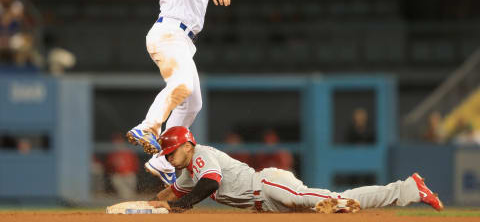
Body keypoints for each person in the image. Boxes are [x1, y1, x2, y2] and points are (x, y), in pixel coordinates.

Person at [126, 0, 292, 186]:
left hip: (183, 40)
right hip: (168, 32)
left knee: (193, 104)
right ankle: (147, 128)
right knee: (181, 84)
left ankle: (161, 160)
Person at [147, 126, 444, 213]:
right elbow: (169, 195)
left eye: (172, 151)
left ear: (187, 145)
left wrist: (180, 205)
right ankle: (408, 188)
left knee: (335, 201)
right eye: (167, 153)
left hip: (267, 186)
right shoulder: (187, 174)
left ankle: (409, 188)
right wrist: (150, 206)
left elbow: (210, 184)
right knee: (339, 205)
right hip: (268, 205)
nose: (169, 157)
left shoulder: (200, 156)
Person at [105, 133, 140, 199]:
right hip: (118, 175)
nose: (117, 144)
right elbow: (108, 165)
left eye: (119, 142)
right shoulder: (112, 153)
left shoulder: (128, 151)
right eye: (115, 143)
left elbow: (135, 163)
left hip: (129, 174)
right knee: (124, 193)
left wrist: (133, 171)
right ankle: (125, 201)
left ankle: (129, 202)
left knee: (130, 193)